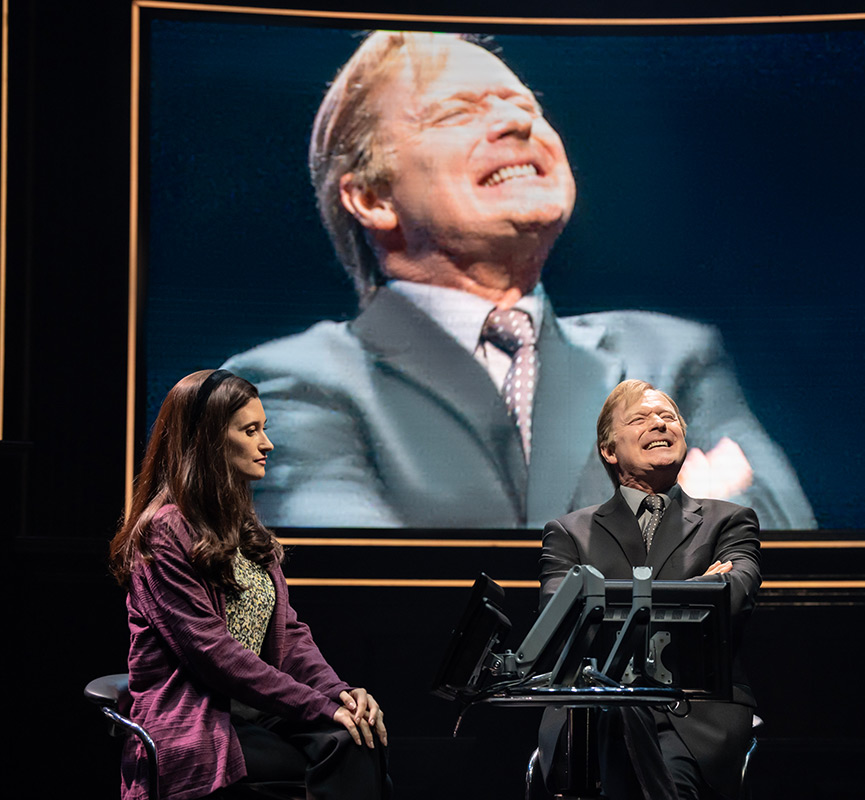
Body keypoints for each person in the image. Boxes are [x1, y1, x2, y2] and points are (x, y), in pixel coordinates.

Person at [224, 31, 816, 531]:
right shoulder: (288, 384)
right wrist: (667, 530)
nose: (516, 121)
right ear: (374, 197)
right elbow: (372, 593)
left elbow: (784, 547)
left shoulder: (671, 357)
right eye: (458, 112)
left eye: (526, 106)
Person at [109, 369, 391, 800]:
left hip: (256, 712)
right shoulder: (164, 531)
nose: (267, 444)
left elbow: (290, 637)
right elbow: (214, 654)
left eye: (264, 428)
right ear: (208, 440)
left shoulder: (243, 528)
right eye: (250, 430)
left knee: (358, 737)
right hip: (200, 717)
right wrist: (319, 706)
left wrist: (341, 695)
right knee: (341, 750)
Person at [538, 379, 761, 800]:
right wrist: (695, 590)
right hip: (591, 719)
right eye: (640, 419)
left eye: (668, 417)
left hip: (692, 718)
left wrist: (609, 600)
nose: (660, 424)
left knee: (668, 776)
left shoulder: (729, 521)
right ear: (609, 450)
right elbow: (561, 618)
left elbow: (732, 599)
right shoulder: (569, 532)